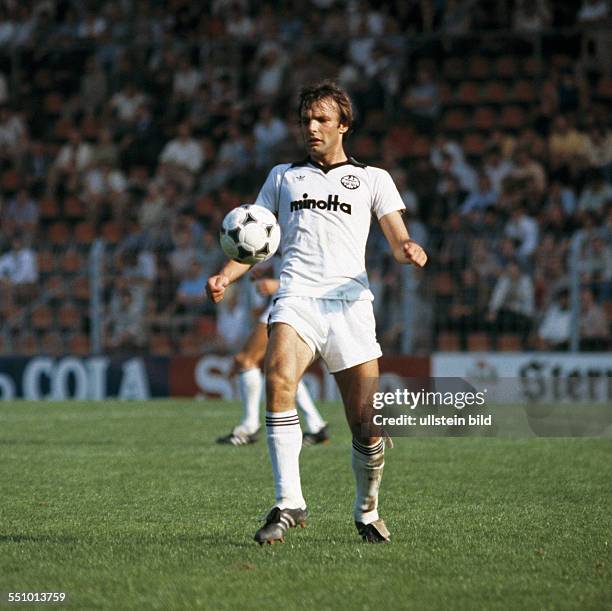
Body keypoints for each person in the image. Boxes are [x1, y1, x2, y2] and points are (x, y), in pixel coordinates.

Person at [206, 81, 427, 545]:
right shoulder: (283, 177)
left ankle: (367, 510)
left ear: (343, 125)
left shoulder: (372, 179)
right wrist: (227, 274)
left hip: (350, 306)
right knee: (278, 378)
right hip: (297, 297)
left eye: (322, 119)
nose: (312, 127)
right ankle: (289, 502)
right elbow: (257, 239)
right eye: (307, 119)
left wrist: (408, 249)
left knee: (366, 425)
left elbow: (397, 240)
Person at [216, 275, 330, 447]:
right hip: (289, 298)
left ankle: (250, 426)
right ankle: (316, 425)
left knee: (246, 359)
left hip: (289, 298)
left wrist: (278, 283)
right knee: (283, 368)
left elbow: (312, 268)